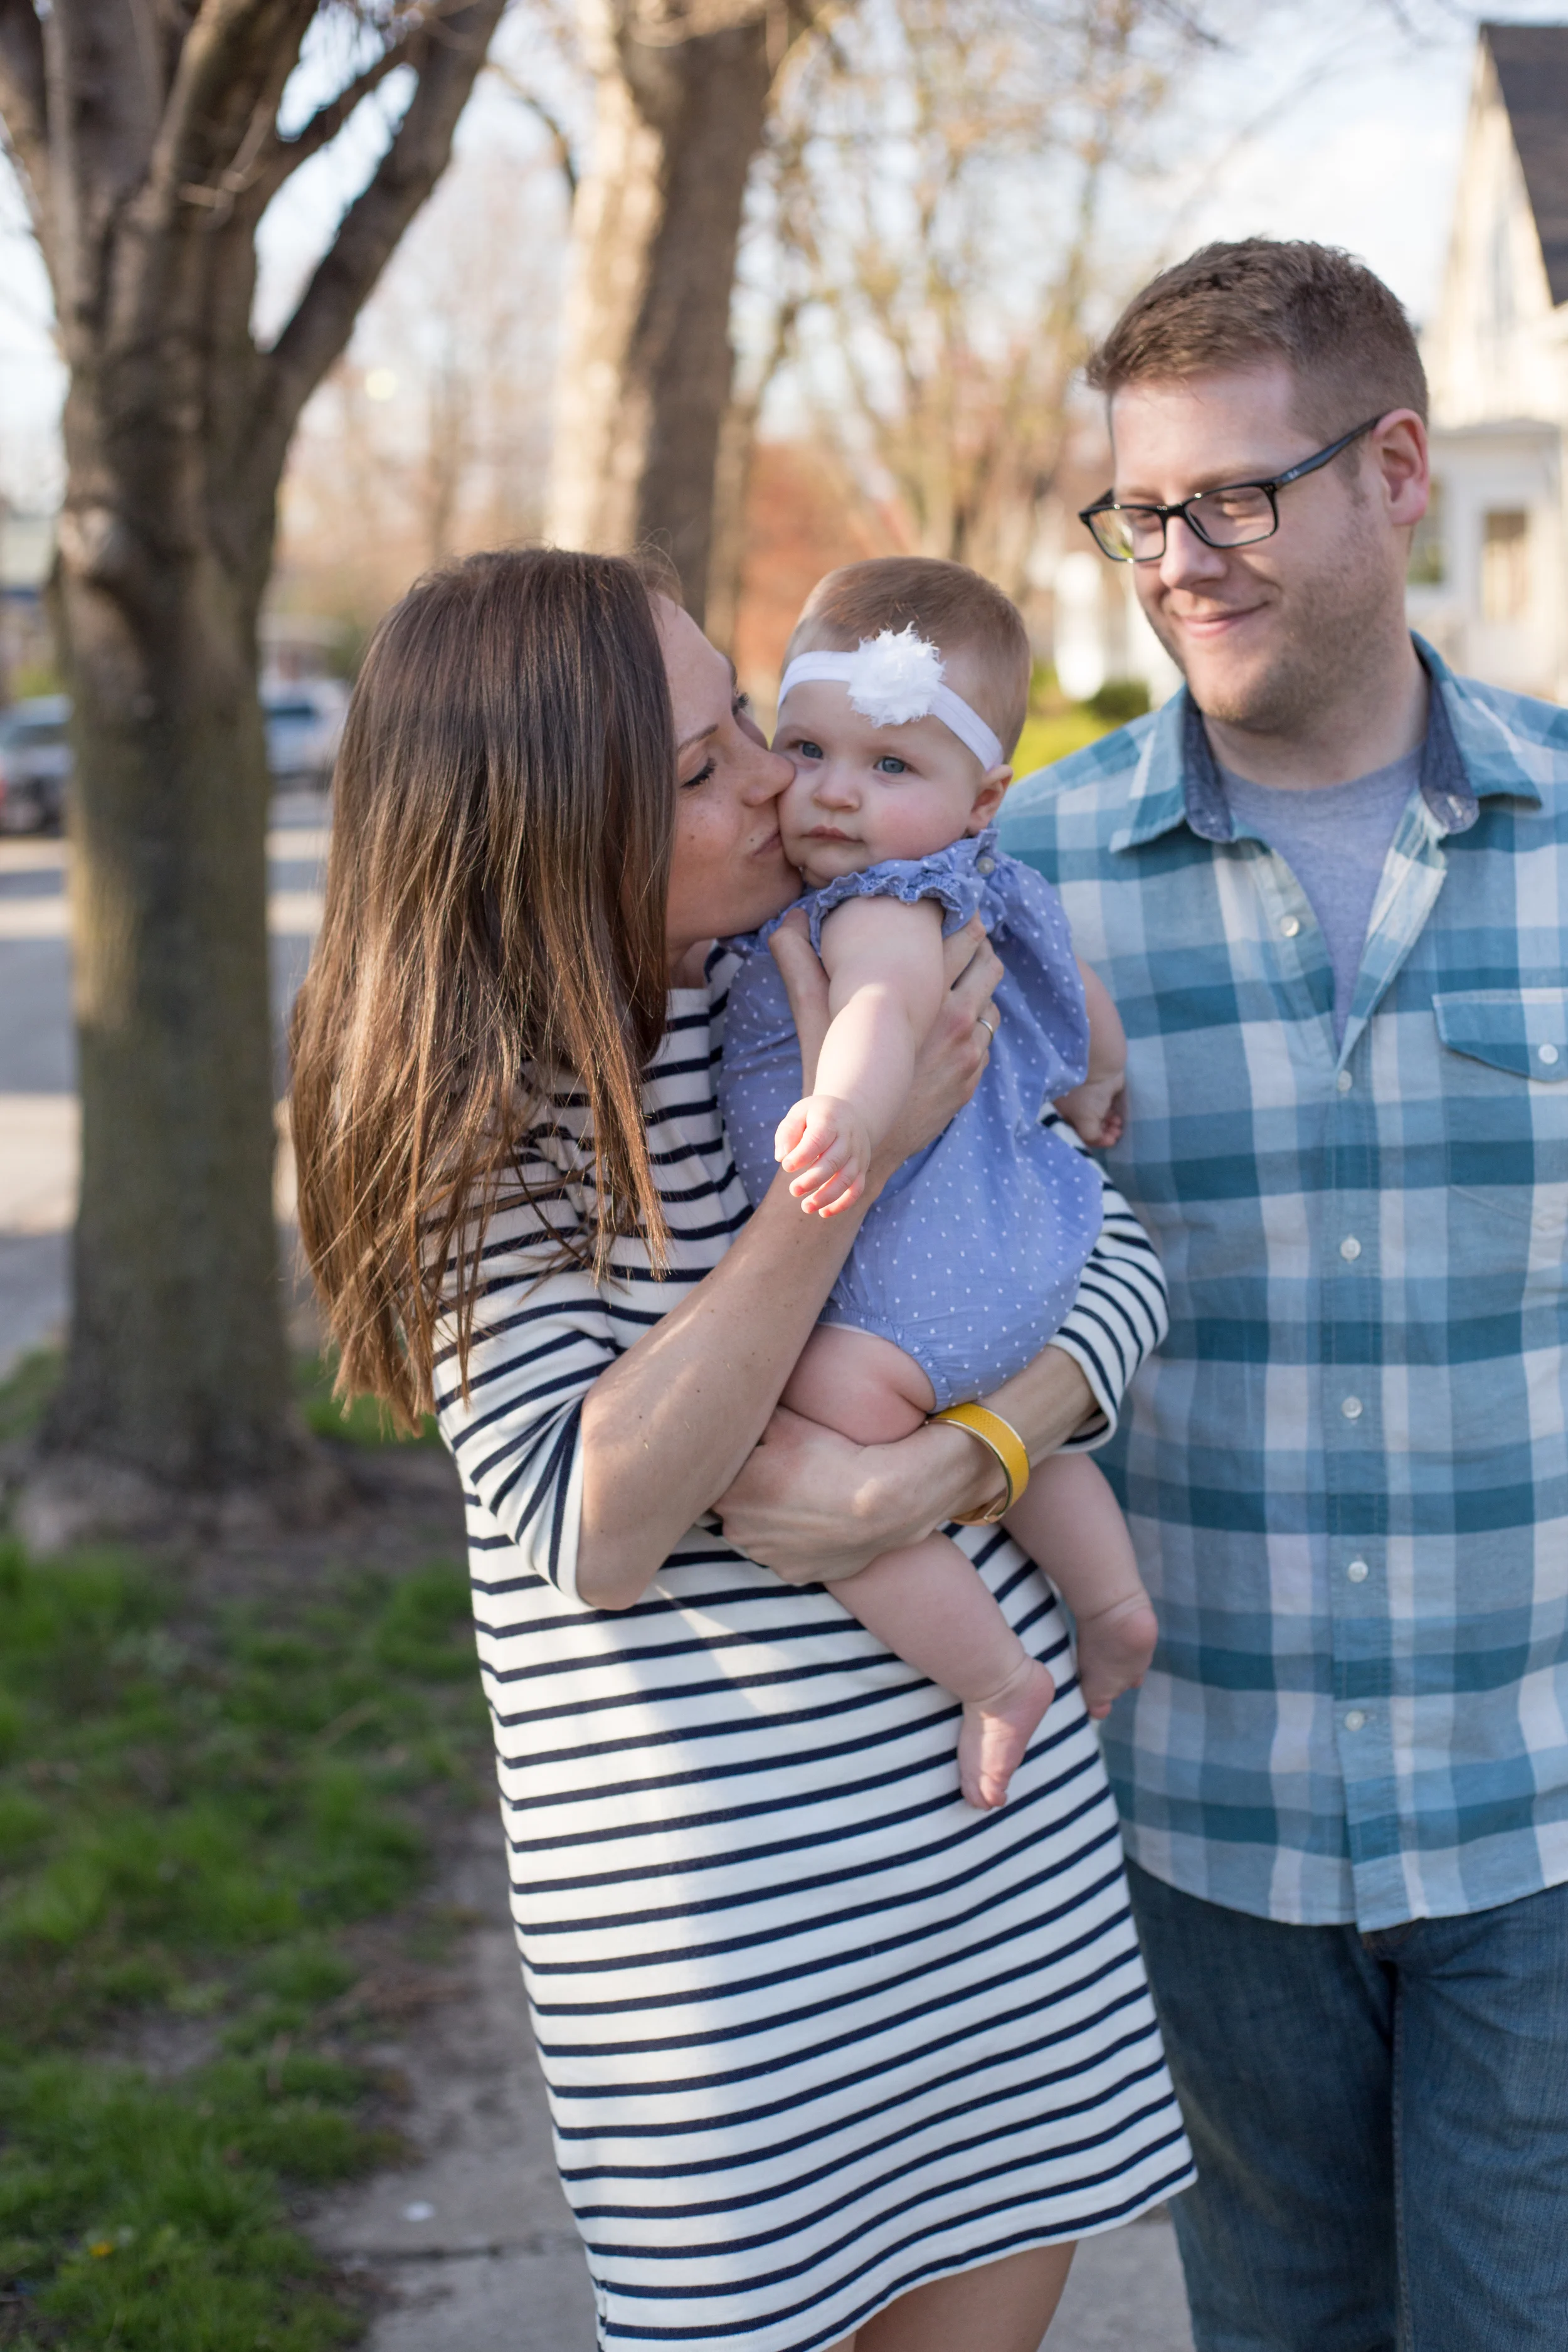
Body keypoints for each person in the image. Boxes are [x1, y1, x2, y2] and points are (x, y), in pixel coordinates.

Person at [290, 548, 1193, 2352]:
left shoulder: (799, 970)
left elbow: (1106, 1251)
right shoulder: (479, 1124)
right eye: (709, 766)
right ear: (561, 831)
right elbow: (602, 1521)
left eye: (742, 727)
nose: (781, 783)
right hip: (733, 1953)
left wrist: (961, 1462)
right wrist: (836, 1185)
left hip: (988, 1862)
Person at [1001, 237, 1568, 2352]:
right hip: (1203, 1831)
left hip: (1540, 1810)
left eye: (1231, 499)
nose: (1177, 560)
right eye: (1142, 511)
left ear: (1397, 469)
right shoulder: (1022, 892)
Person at [719, 557, 1155, 1814]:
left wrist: (849, 1111)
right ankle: (1113, 1602)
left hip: (913, 1282)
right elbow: (1077, 991)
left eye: (890, 767)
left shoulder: (875, 904)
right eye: (804, 748)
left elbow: (881, 1001)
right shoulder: (991, 882)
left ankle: (995, 1678)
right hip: (1015, 1252)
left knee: (799, 1419)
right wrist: (1092, 1084)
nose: (833, 795)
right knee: (1009, 1436)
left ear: (982, 797)